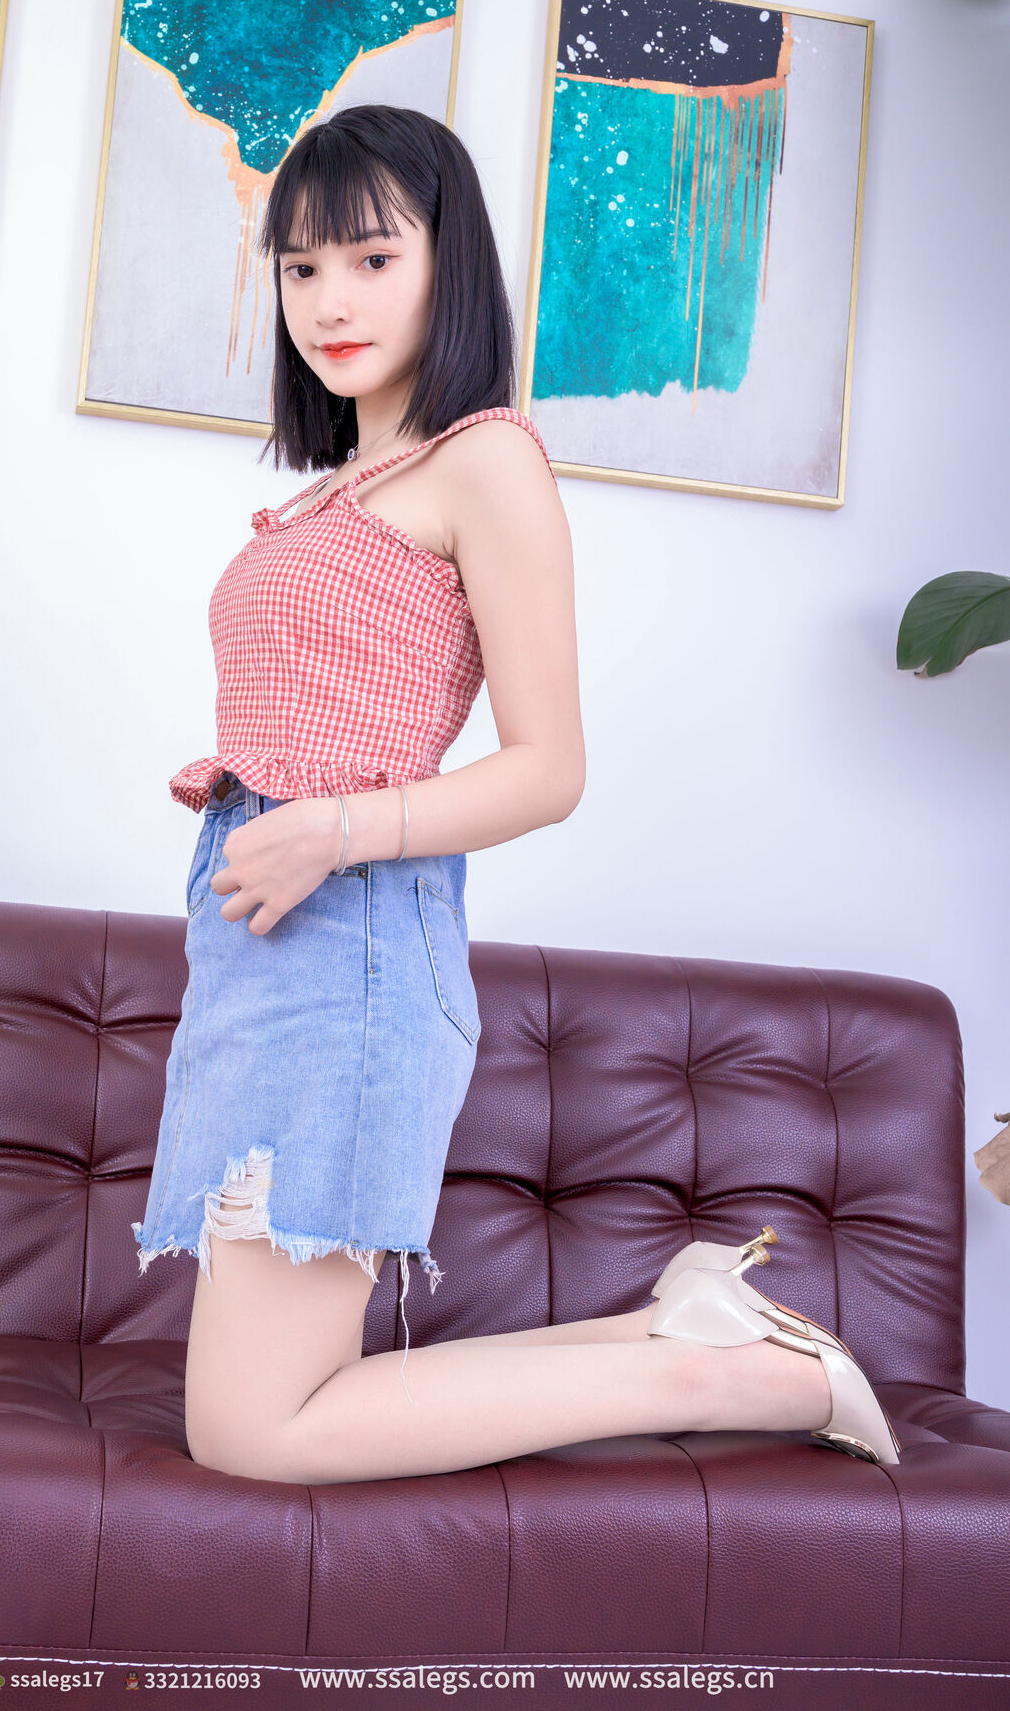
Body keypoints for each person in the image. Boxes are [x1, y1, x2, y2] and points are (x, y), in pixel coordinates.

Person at [132, 104, 900, 1486]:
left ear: (451, 262)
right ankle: (689, 1331)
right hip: (262, 957)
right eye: (301, 267)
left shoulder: (485, 459)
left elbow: (552, 767)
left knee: (252, 1430)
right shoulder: (338, 488)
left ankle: (744, 1380)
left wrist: (334, 831)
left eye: (372, 258)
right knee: (258, 1406)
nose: (329, 302)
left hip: (353, 951)